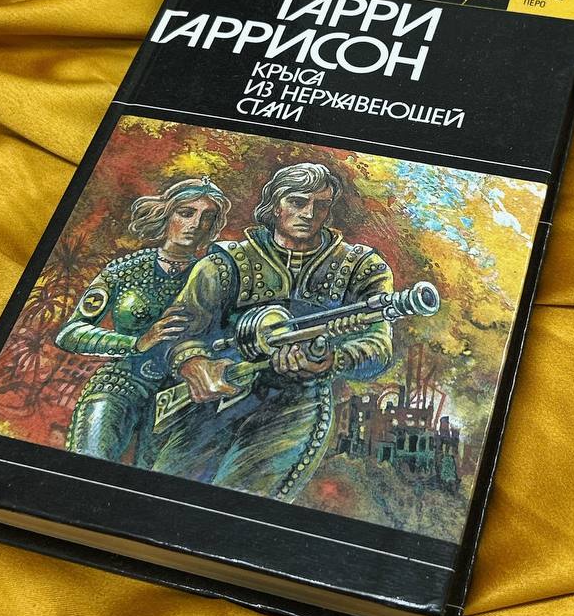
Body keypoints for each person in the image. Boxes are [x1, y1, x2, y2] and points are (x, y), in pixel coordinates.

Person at [153, 161, 394, 501]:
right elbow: (176, 330)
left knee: (241, 500)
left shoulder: (360, 267)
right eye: (297, 202)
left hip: (295, 405)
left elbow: (378, 346)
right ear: (275, 204)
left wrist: (333, 359)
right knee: (162, 488)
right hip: (214, 398)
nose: (309, 214)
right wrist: (193, 363)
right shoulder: (226, 262)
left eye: (321, 205)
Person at [55, 177, 230, 464]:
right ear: (167, 214)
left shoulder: (216, 275)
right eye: (186, 213)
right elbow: (70, 333)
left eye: (207, 217)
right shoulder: (124, 271)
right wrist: (137, 342)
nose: (196, 224)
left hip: (184, 396)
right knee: (87, 463)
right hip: (120, 385)